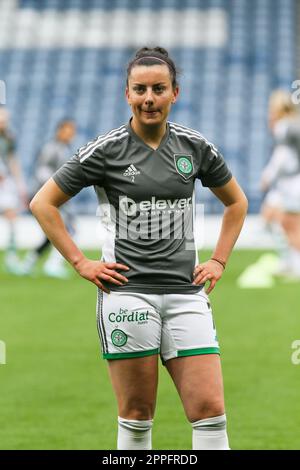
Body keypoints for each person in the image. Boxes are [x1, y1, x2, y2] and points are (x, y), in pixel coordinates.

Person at [30, 46, 248, 450]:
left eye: (159, 89)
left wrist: (219, 260)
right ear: (127, 94)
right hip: (128, 295)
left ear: (174, 93)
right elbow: (43, 204)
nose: (149, 98)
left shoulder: (195, 147)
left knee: (211, 412)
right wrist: (81, 263)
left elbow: (237, 202)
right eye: (140, 89)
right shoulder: (105, 149)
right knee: (136, 417)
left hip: (188, 295)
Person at [23, 119, 77, 278]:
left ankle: (29, 263)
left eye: (72, 131)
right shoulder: (52, 148)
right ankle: (52, 265)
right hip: (51, 196)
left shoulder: (64, 149)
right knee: (67, 229)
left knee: (54, 233)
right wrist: (56, 188)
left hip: (58, 196)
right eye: (68, 130)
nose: (71, 134)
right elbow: (42, 171)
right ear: (59, 130)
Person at [260, 90, 300, 279]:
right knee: (272, 219)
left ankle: (295, 264)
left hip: (292, 183)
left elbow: (282, 157)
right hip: (287, 183)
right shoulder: (291, 124)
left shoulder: (284, 126)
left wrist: (267, 175)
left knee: (290, 225)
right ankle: (288, 261)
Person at [0, 106, 27, 274]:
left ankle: (11, 255)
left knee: (12, 218)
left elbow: (13, 161)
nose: (3, 124)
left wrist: (20, 184)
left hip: (4, 184)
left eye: (5, 121)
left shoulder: (9, 137)